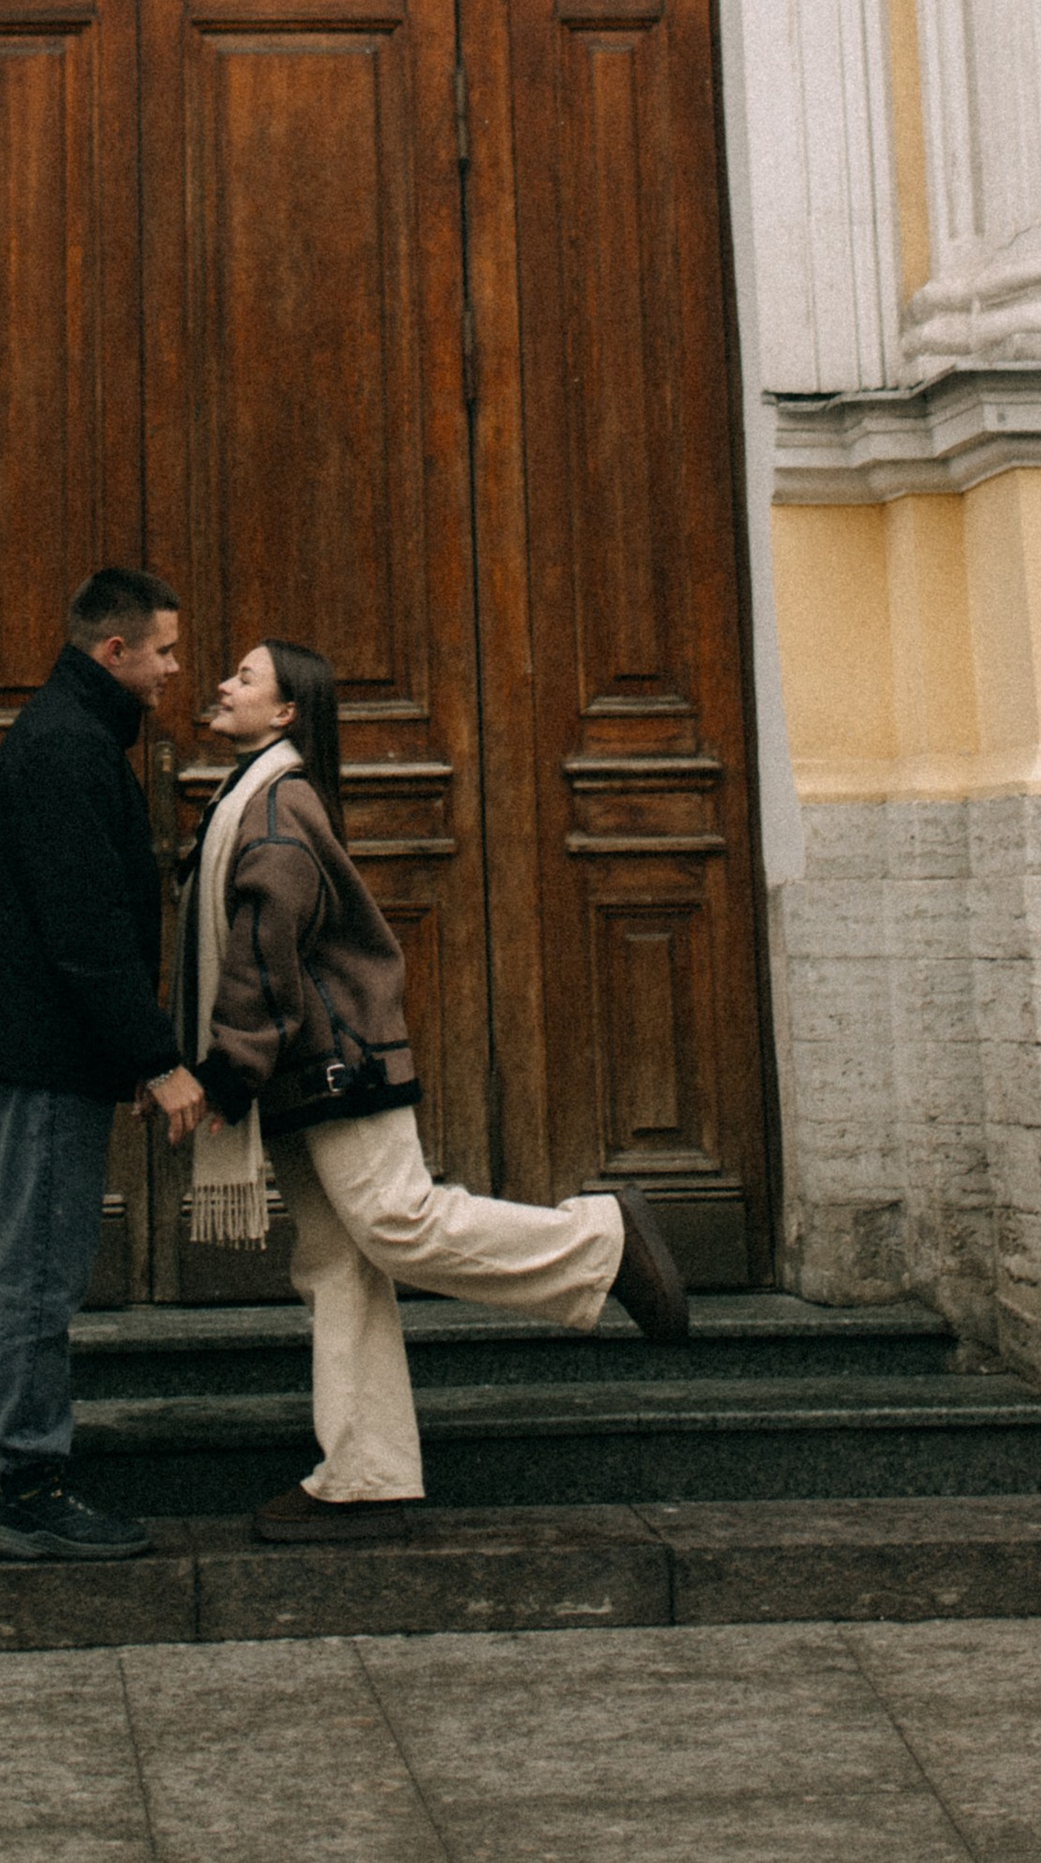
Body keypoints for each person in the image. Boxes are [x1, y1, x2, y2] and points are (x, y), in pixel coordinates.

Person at [180, 636, 690, 1541]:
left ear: (286, 712)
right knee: (338, 1262)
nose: (222, 685)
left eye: (245, 677)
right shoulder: (258, 796)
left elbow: (265, 949)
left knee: (398, 1224)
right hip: (309, 1070)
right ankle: (366, 1475)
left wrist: (228, 1071)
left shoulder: (273, 808)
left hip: (334, 1064)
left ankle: (603, 1243)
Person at [0, 565, 208, 1563]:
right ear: (114, 651)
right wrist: (156, 1058)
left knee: (25, 1260)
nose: (174, 668)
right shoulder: (66, 746)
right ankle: (31, 1485)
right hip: (45, 1051)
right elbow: (85, 927)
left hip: (39, 1046)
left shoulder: (72, 733)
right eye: (164, 651)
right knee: (41, 1271)